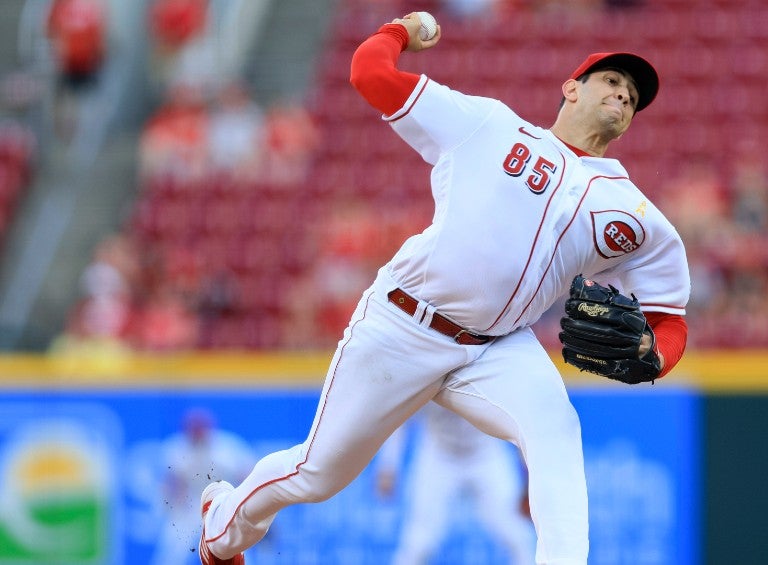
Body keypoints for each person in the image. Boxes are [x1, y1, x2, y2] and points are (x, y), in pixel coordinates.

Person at [197, 11, 690, 565]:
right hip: (403, 323)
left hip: (495, 347)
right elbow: (368, 74)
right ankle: (224, 526)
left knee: (556, 428)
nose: (624, 97)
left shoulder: (631, 209)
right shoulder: (490, 126)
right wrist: (400, 30)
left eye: (632, 96)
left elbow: (670, 320)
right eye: (613, 82)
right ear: (571, 89)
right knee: (316, 474)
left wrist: (654, 355)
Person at [375, 403, 535, 564]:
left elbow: (517, 419)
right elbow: (399, 419)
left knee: (517, 535)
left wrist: (529, 472)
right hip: (439, 456)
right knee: (420, 542)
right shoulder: (424, 379)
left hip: (485, 454)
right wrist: (388, 466)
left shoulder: (485, 380)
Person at [154, 408, 256, 565]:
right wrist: (171, 508)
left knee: (239, 547)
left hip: (223, 501)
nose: (198, 432)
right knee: (173, 549)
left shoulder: (227, 447)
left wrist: (244, 506)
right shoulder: (175, 448)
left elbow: (248, 476)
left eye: (201, 428)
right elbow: (171, 484)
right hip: (191, 503)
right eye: (194, 428)